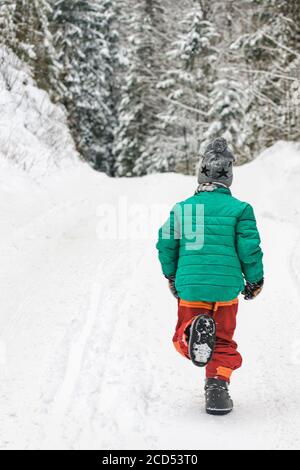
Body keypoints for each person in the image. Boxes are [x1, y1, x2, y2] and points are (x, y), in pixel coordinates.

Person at [156, 137, 264, 415]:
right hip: (226, 288)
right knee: (224, 339)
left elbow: (166, 243)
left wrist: (171, 275)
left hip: (190, 286)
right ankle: (217, 389)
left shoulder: (182, 208)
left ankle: (191, 333)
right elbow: (249, 248)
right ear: (229, 177)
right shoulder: (241, 209)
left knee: (183, 336)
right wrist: (254, 280)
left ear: (201, 173)